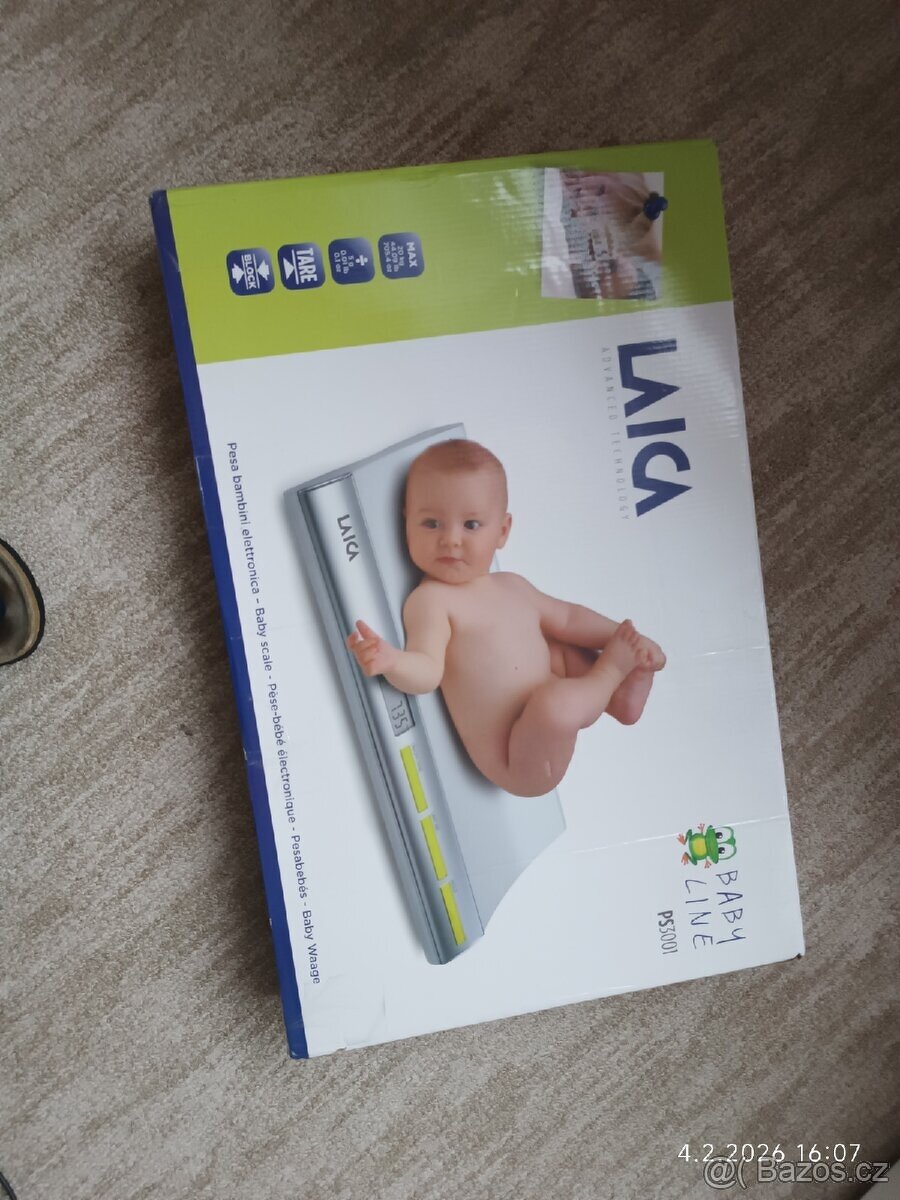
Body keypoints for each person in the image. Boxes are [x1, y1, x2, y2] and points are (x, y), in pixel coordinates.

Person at [346, 440, 665, 798]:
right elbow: (428, 671)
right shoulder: (431, 600)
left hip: (556, 700)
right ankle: (612, 674)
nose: (451, 540)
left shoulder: (513, 585)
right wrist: (392, 660)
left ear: (502, 531)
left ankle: (621, 699)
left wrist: (621, 635)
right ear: (407, 522)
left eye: (470, 524)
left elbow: (569, 618)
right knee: (554, 703)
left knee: (560, 649)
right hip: (522, 759)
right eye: (431, 523)